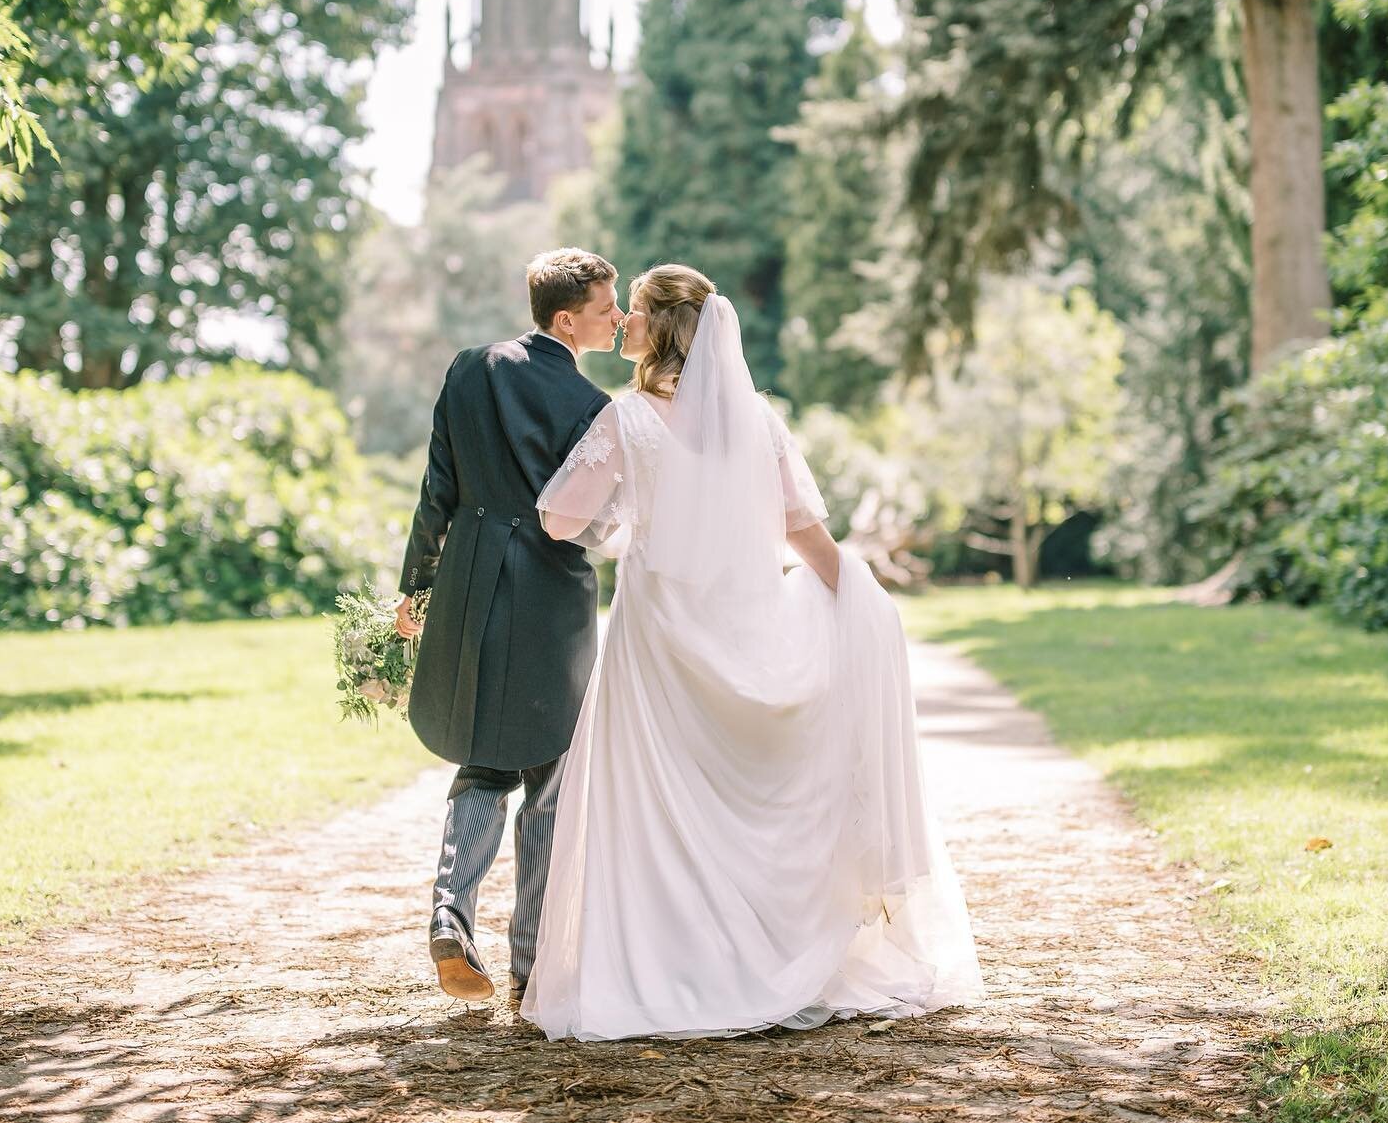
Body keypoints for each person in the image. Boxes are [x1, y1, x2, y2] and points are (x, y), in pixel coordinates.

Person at [521, 264, 983, 1041]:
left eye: (633, 311)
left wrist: (617, 517)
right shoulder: (757, 422)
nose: (623, 323)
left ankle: (677, 967)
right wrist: (857, 595)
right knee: (748, 797)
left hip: (662, 639)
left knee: (662, 807)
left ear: (660, 329)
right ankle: (766, 957)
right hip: (748, 622)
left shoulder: (625, 421)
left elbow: (561, 521)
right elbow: (803, 532)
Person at [394, 248, 623, 1003]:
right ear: (567, 320)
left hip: (468, 582)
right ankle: (531, 963)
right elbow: (589, 522)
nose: (616, 319)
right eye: (604, 309)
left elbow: (439, 488)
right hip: (552, 599)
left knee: (483, 759)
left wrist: (415, 585)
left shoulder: (468, 368)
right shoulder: (592, 406)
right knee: (549, 775)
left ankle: (450, 914)